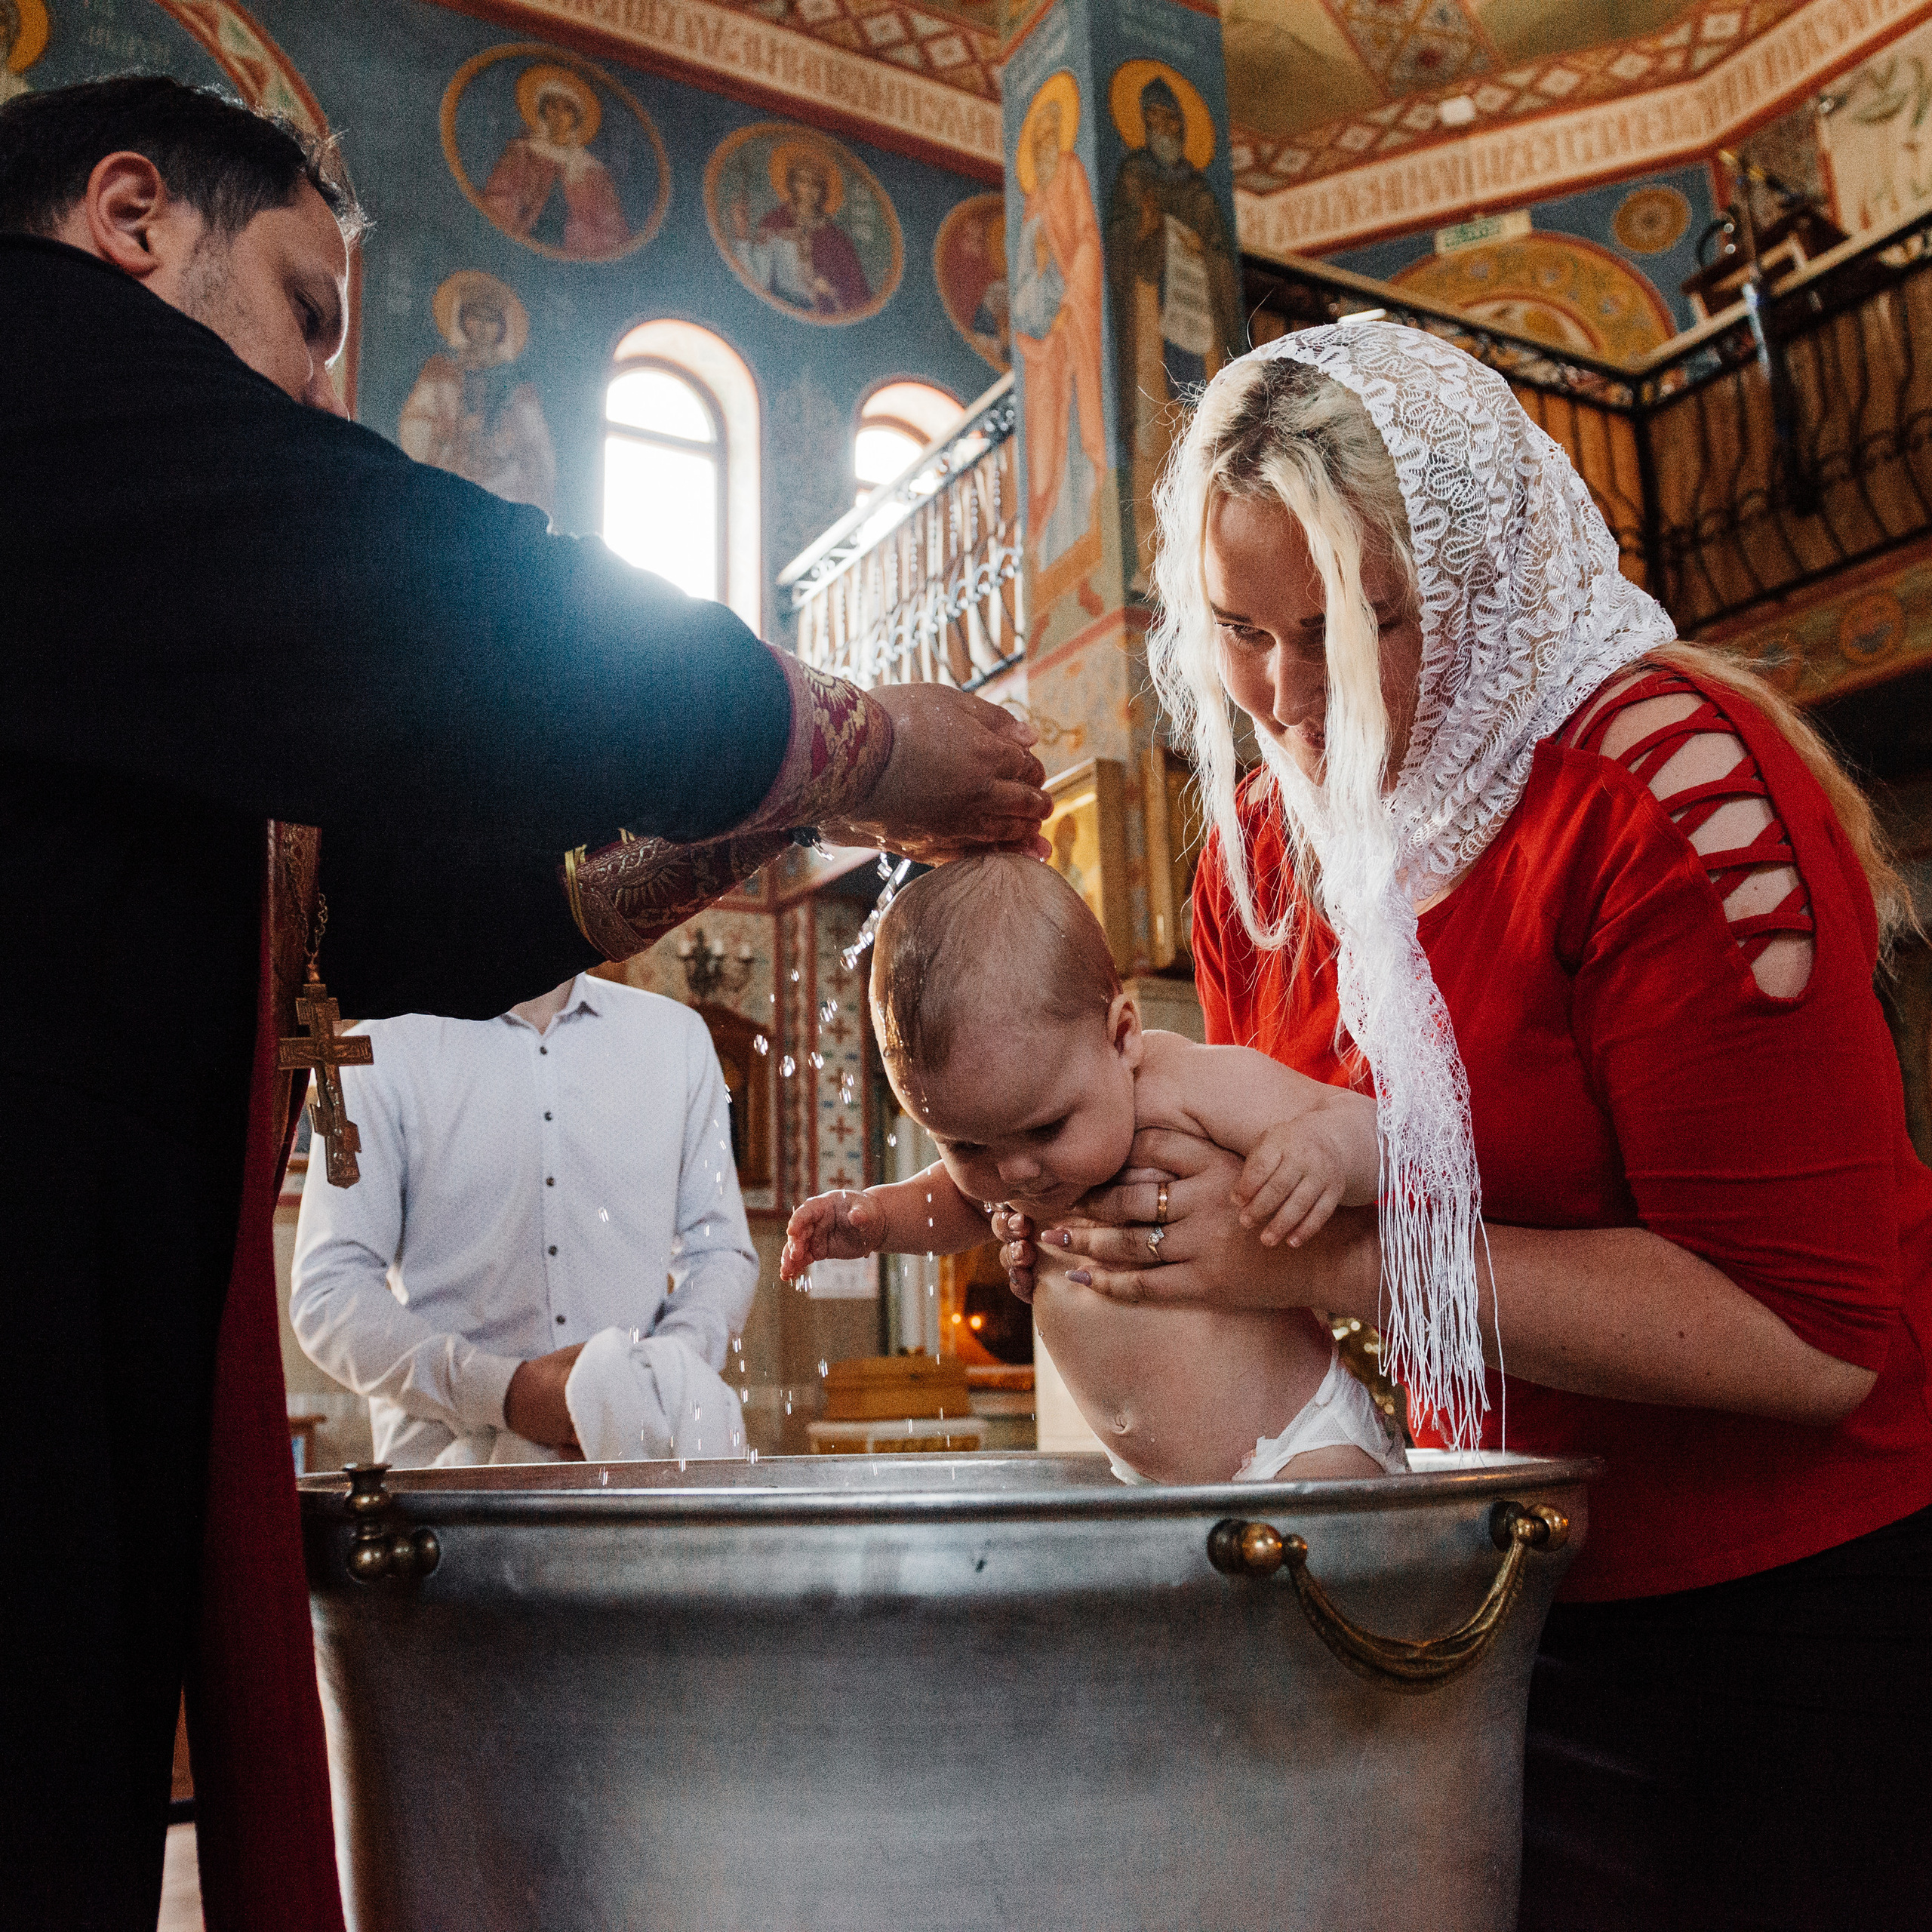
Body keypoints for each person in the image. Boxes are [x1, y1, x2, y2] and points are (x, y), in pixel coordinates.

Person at [0, 75, 1048, 1932]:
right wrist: (856, 743)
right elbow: (442, 602)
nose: (324, 392)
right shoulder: (38, 357)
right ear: (132, 217)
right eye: (309, 310)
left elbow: (410, 910)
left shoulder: (125, 636)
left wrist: (778, 789)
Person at [1001, 322, 1932, 1927]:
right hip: (1478, 1582)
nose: (1291, 696)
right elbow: (1259, 1190)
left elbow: (1809, 1336)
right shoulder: (1254, 857)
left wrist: (1338, 1262)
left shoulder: (1670, 797)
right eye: (1242, 630)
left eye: (1363, 625)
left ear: (1485, 581)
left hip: (1784, 1614)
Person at [780, 854, 1404, 1484]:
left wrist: (1324, 1150)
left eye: (1047, 1128)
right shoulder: (1013, 1164)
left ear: (1122, 1036)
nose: (1016, 1171)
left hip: (1299, 1444)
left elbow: (1378, 1131)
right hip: (1147, 1481)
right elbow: (955, 1205)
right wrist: (879, 1220)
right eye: (966, 1147)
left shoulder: (1184, 1087)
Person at [291, 973, 756, 1468]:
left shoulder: (676, 1038)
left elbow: (720, 1253)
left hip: (642, 1471)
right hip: (445, 1486)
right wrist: (507, 1393)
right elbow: (330, 1289)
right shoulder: (379, 1048)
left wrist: (651, 1382)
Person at [397, 269, 556, 516]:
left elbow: (538, 452)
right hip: (449, 483)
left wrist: (509, 443)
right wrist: (440, 435)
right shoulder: (440, 371)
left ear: (502, 327)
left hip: (501, 490)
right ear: (463, 319)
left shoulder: (517, 386)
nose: (482, 327)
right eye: (475, 317)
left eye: (491, 320)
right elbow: (415, 422)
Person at [481, 63, 630, 260]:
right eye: (553, 106)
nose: (559, 116)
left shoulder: (592, 171)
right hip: (516, 250)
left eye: (567, 109)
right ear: (543, 110)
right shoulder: (522, 152)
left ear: (576, 118)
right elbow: (497, 199)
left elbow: (611, 229)